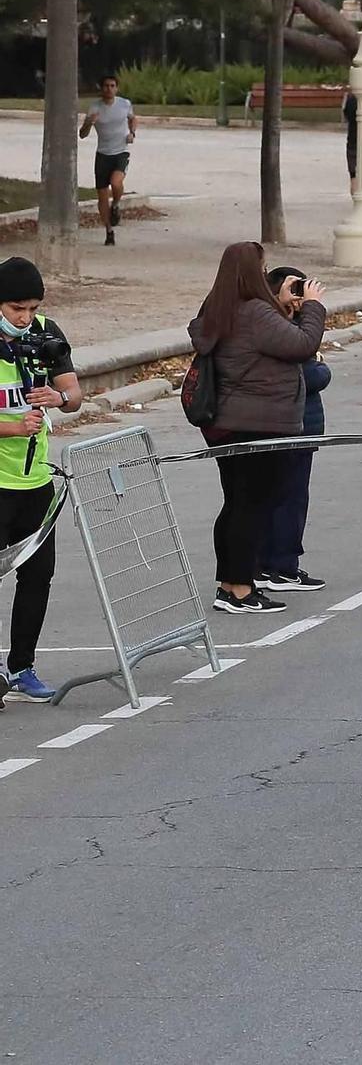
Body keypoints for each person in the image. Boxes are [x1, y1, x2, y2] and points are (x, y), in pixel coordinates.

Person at [187, 241, 327, 614]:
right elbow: (303, 344)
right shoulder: (254, 313)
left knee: (236, 503)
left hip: (226, 422)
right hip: (257, 423)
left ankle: (230, 583)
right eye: (262, 269)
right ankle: (241, 588)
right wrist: (312, 306)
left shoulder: (219, 309)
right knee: (251, 506)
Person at [0, 258, 81, 701]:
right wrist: (13, 427)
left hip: (35, 482)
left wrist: (60, 396)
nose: (25, 319)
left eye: (32, 308)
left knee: (38, 575)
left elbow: (75, 394)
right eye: (16, 309)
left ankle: (22, 667)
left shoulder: (47, 332)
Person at [258, 267, 330, 595]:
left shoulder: (294, 327)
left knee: (291, 497)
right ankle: (278, 566)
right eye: (292, 289)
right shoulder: (277, 330)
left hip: (303, 425)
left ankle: (277, 564)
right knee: (285, 499)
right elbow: (313, 376)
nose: (299, 295)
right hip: (289, 426)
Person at [79, 75, 135, 246]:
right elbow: (82, 134)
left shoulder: (124, 104)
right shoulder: (95, 107)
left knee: (116, 183)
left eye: (112, 86)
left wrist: (132, 133)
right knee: (102, 196)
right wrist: (89, 123)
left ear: (116, 88)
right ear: (101, 88)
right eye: (106, 86)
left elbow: (132, 118)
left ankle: (116, 204)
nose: (109, 89)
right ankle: (109, 231)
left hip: (121, 151)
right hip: (103, 154)